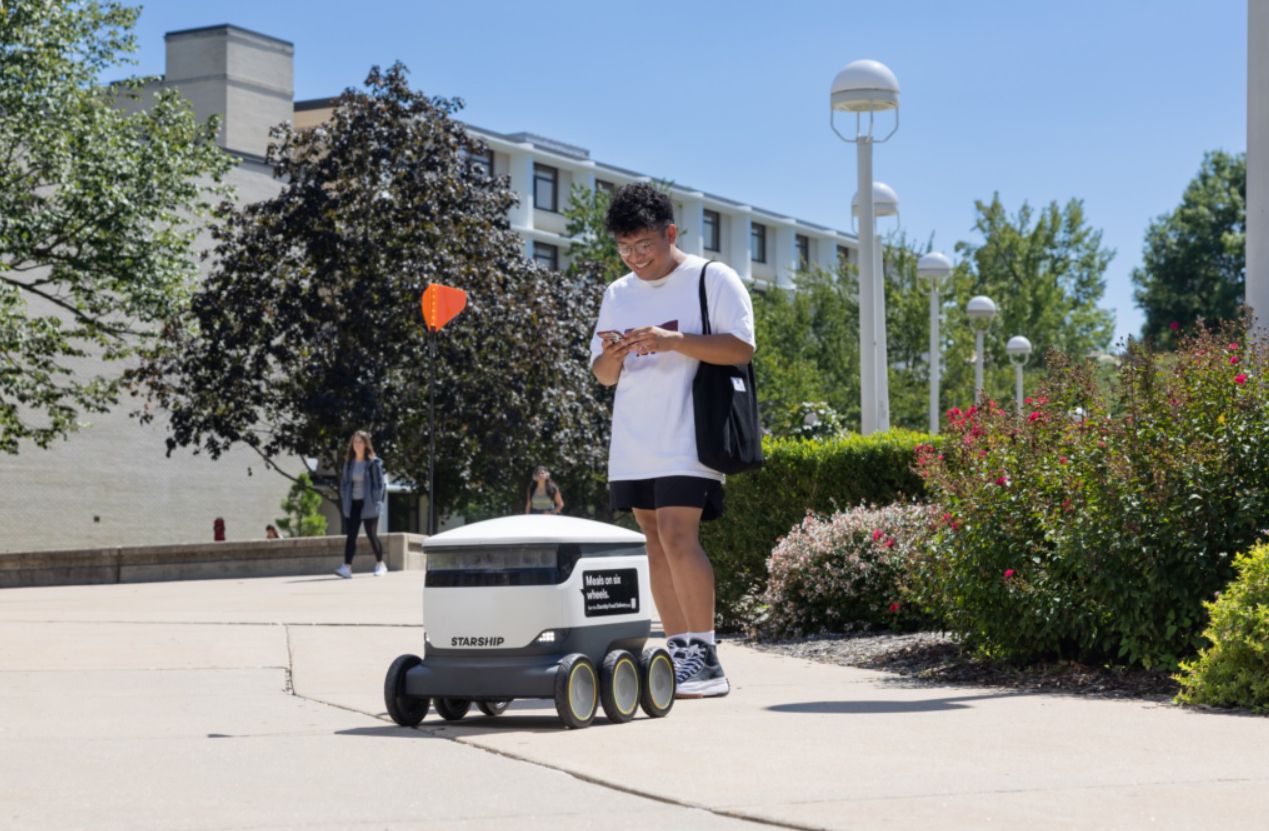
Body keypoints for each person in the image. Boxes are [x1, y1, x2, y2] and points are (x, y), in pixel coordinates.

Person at [589, 183, 755, 699]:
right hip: (635, 436)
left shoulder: (712, 277)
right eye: (625, 248)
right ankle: (680, 648)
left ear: (670, 233)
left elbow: (741, 348)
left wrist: (673, 341)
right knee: (655, 543)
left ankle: (705, 656)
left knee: (679, 536)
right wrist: (615, 354)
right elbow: (602, 375)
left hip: (689, 432)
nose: (635, 258)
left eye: (645, 246)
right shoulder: (618, 293)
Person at [335, 430, 387, 578]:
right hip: (353, 503)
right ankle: (347, 567)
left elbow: (380, 484)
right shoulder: (349, 463)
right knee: (351, 535)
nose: (357, 444)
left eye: (360, 441)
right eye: (355, 442)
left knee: (371, 535)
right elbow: (344, 482)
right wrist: (345, 497)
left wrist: (375, 500)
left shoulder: (373, 462)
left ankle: (380, 564)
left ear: (365, 444)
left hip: (369, 503)